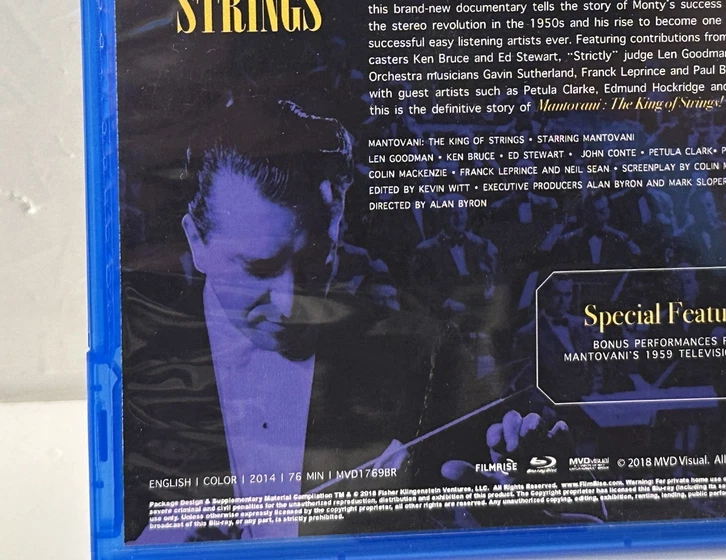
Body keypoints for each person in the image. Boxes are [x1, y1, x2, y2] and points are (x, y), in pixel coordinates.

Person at [121, 98, 503, 543]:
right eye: (259, 268)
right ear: (196, 241)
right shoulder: (131, 357)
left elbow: (469, 512)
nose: (288, 305)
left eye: (316, 265)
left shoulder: (424, 356)